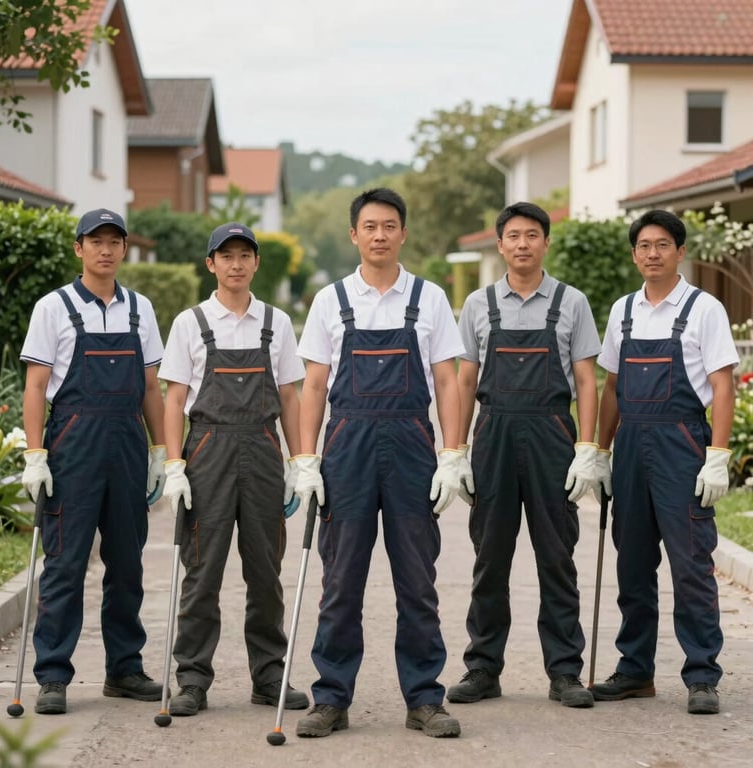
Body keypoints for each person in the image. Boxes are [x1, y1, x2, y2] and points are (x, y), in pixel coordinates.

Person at [291, 187, 464, 738]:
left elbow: (446, 380)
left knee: (417, 579)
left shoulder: (430, 297)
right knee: (341, 579)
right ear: (354, 235)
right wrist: (305, 458)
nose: (380, 235)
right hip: (347, 449)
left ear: (403, 233)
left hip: (412, 446)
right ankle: (331, 698)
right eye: (370, 226)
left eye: (390, 225)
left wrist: (453, 454)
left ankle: (424, 699)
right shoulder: (330, 300)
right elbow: (314, 384)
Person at [447, 201, 601, 709]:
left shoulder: (571, 302)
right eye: (513, 235)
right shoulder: (478, 304)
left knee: (556, 558)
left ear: (545, 243)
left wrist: (587, 449)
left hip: (552, 435)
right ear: (500, 244)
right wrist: (457, 450)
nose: (522, 244)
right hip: (493, 435)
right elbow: (465, 380)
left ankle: (564, 673)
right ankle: (482, 669)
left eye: (531, 235)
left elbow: (585, 379)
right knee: (491, 558)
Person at [591, 209, 738, 715]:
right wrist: (599, 449)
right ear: (634, 254)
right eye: (644, 246)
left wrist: (717, 455)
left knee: (691, 564)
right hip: (631, 445)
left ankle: (702, 676)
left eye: (662, 245)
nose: (652, 254)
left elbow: (722, 385)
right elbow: (611, 386)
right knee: (632, 563)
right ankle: (635, 671)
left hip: (682, 445)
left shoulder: (704, 309)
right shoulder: (623, 310)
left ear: (679, 251)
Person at [20, 208, 167, 715]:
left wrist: (159, 451)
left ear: (124, 249)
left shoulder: (139, 309)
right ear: (79, 248)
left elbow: (151, 386)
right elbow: (36, 386)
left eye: (114, 241)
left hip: (126, 441)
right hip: (72, 446)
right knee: (65, 564)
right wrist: (36, 453)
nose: (105, 250)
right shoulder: (53, 307)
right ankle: (53, 675)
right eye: (95, 241)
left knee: (127, 563)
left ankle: (124, 669)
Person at [158, 222, 309, 717]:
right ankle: (193, 680)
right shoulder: (190, 322)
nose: (236, 264)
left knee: (265, 572)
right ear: (211, 264)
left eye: (245, 255)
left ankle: (269, 676)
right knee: (202, 573)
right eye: (227, 256)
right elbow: (175, 396)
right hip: (207, 451)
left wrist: (298, 460)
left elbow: (289, 394)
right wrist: (174, 464)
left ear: (256, 263)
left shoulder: (276, 322)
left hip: (262, 449)